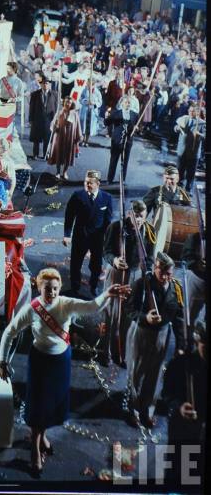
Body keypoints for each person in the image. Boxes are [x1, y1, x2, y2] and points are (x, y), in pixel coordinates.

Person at [0, 268, 127, 476]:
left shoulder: (66, 303)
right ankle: (34, 449)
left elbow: (92, 306)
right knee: (39, 405)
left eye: (56, 288)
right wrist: (2, 361)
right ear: (39, 287)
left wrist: (108, 294)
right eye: (47, 289)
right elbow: (9, 332)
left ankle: (42, 437)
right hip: (40, 361)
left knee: (51, 404)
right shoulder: (32, 309)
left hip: (60, 361)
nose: (52, 293)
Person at [124, 252, 185, 428]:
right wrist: (145, 318)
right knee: (136, 373)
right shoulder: (142, 285)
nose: (166, 277)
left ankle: (147, 410)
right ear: (154, 268)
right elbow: (129, 309)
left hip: (162, 335)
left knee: (155, 375)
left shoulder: (176, 289)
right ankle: (133, 410)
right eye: (162, 272)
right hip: (141, 333)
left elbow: (179, 318)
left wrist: (180, 345)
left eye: (170, 273)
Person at [102, 200, 156, 366]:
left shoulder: (149, 231)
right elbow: (106, 252)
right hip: (116, 273)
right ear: (128, 214)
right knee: (111, 313)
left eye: (142, 217)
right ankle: (106, 353)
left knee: (129, 314)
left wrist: (147, 272)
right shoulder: (116, 227)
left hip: (135, 275)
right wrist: (115, 260)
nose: (138, 220)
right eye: (135, 216)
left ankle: (122, 353)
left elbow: (149, 257)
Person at [161, 317, 206, 486]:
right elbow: (167, 394)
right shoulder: (180, 365)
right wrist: (179, 407)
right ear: (197, 341)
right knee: (178, 474)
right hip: (182, 431)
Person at [63, 170, 113, 298]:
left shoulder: (107, 198)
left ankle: (94, 286)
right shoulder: (77, 196)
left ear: (98, 184)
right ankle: (75, 287)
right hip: (80, 236)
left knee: (96, 266)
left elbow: (108, 220)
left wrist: (107, 239)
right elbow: (69, 216)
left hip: (97, 239)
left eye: (90, 183)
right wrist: (67, 235)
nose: (87, 185)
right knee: (75, 264)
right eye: (86, 182)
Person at [104, 95, 139, 184]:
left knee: (125, 161)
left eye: (129, 103)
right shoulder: (116, 113)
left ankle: (122, 179)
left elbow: (138, 126)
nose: (128, 104)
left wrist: (137, 128)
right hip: (117, 140)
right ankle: (109, 179)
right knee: (114, 159)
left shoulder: (134, 115)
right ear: (122, 104)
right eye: (126, 102)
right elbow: (107, 123)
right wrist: (106, 116)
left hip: (128, 141)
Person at [46, 96, 82, 180]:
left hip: (70, 137)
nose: (67, 104)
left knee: (67, 155)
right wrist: (54, 127)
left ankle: (65, 172)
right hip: (59, 136)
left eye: (69, 102)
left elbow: (78, 126)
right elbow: (52, 124)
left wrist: (79, 136)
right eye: (66, 102)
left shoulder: (75, 114)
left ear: (71, 104)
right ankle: (58, 172)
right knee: (58, 154)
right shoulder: (59, 113)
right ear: (63, 103)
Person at [174, 103, 206, 194]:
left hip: (193, 153)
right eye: (190, 111)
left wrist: (199, 134)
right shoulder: (183, 119)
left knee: (190, 174)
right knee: (179, 172)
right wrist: (176, 128)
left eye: (193, 111)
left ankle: (188, 190)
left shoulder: (201, 123)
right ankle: (178, 189)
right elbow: (175, 127)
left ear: (196, 112)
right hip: (182, 151)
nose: (191, 113)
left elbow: (205, 136)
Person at [28, 75, 58, 160]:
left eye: (47, 83)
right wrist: (31, 119)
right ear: (40, 84)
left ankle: (46, 154)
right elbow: (31, 107)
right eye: (43, 84)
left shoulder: (54, 94)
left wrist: (55, 120)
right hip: (37, 119)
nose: (45, 85)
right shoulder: (35, 94)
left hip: (49, 120)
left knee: (47, 139)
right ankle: (35, 154)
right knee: (36, 139)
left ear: (49, 85)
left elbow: (56, 108)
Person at [181, 231, 206, 335]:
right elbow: (185, 258)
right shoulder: (196, 237)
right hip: (197, 280)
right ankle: (185, 346)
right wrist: (197, 264)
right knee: (188, 318)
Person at [78, 80, 102, 146]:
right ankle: (82, 139)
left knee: (89, 126)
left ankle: (87, 140)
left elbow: (100, 102)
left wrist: (94, 104)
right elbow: (81, 98)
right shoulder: (85, 90)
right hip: (85, 109)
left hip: (92, 111)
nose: (88, 86)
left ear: (93, 85)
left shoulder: (97, 92)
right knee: (83, 125)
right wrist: (85, 101)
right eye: (88, 84)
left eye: (90, 84)